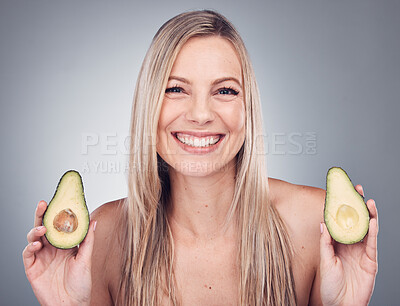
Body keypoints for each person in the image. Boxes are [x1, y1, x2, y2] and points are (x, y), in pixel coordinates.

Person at [23, 9, 378, 305]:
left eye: (225, 90)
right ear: (150, 105)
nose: (201, 114)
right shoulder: (103, 239)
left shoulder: (313, 226)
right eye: (176, 89)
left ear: (247, 109)